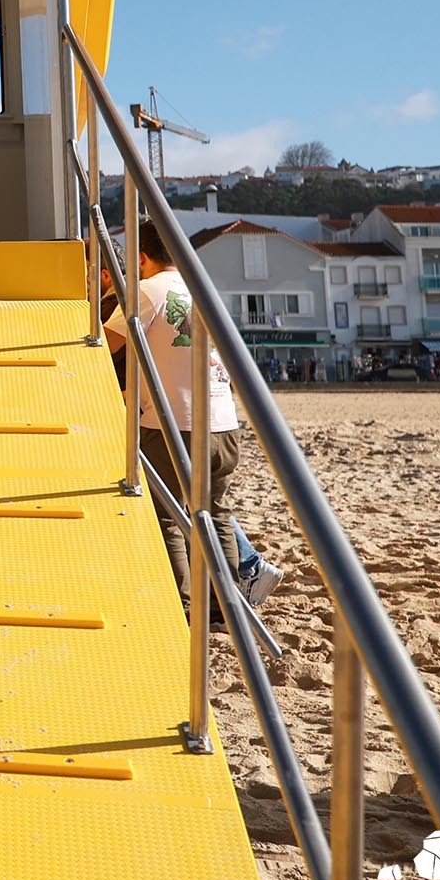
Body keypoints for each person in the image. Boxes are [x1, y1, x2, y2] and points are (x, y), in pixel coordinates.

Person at [103, 231, 283, 608]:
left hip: (175, 423)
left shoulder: (148, 291)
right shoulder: (200, 288)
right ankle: (225, 606)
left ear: (140, 258)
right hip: (223, 420)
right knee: (215, 513)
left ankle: (183, 604)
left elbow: (105, 344)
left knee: (166, 513)